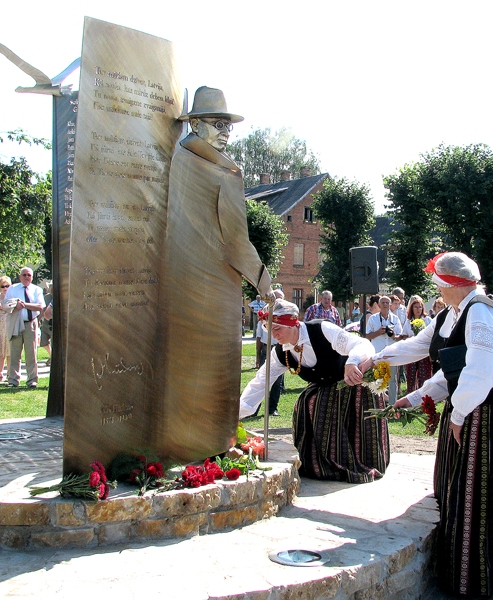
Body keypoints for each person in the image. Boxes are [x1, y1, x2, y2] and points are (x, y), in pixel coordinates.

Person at [363, 252, 493, 598]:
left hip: (485, 412)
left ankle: (480, 577)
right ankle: (462, 570)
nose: (435, 287)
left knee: (479, 492)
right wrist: (378, 360)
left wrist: (457, 413)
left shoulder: (480, 311)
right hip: (470, 409)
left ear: (450, 283)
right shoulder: (450, 314)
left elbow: (484, 369)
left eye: (438, 281)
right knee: (458, 489)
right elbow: (422, 350)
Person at [162, 86, 272, 458]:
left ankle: (184, 442)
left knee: (184, 366)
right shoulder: (225, 171)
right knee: (217, 366)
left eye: (229, 125)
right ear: (194, 122)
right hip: (213, 282)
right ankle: (212, 444)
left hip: (177, 279)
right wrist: (263, 281)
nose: (226, 132)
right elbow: (236, 240)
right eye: (217, 123)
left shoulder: (179, 156)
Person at [239, 299, 388, 483]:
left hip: (351, 383)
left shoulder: (321, 329)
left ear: (293, 322)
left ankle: (356, 460)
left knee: (319, 401)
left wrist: (351, 362)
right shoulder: (281, 352)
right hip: (323, 386)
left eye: (277, 328)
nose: (274, 334)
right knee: (305, 403)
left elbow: (362, 345)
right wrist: (236, 415)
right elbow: (260, 382)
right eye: (269, 329)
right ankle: (317, 463)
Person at [5, 267, 45, 388]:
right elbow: (5, 304)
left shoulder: (36, 289)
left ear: (32, 277)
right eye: (24, 275)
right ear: (20, 276)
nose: (27, 277)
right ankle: (13, 380)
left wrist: (24, 305)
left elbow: (40, 306)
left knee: (31, 353)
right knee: (14, 352)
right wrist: (14, 305)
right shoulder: (12, 288)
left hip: (30, 323)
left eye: (29, 275)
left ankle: (32, 379)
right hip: (16, 322)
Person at [365, 296, 401, 403]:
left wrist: (393, 335)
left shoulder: (395, 319)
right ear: (379, 305)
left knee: (392, 380)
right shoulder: (373, 319)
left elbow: (400, 336)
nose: (385, 304)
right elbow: (367, 336)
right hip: (378, 354)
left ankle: (392, 405)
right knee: (377, 379)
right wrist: (378, 332)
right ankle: (378, 403)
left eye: (387, 303)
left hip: (391, 353)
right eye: (383, 303)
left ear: (390, 305)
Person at [400, 295, 432, 393]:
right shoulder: (409, 321)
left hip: (423, 352)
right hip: (412, 351)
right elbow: (404, 335)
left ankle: (424, 398)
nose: (418, 309)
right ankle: (411, 399)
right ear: (412, 308)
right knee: (411, 376)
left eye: (420, 307)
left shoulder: (427, 320)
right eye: (415, 307)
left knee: (424, 376)